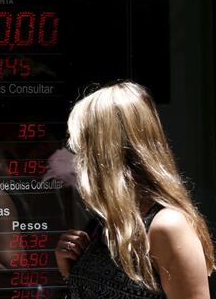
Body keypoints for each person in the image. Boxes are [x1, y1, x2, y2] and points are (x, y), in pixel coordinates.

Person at [55, 81, 215, 298]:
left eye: (82, 146)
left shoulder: (167, 227)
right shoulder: (103, 224)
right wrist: (71, 273)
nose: (74, 157)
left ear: (103, 154)